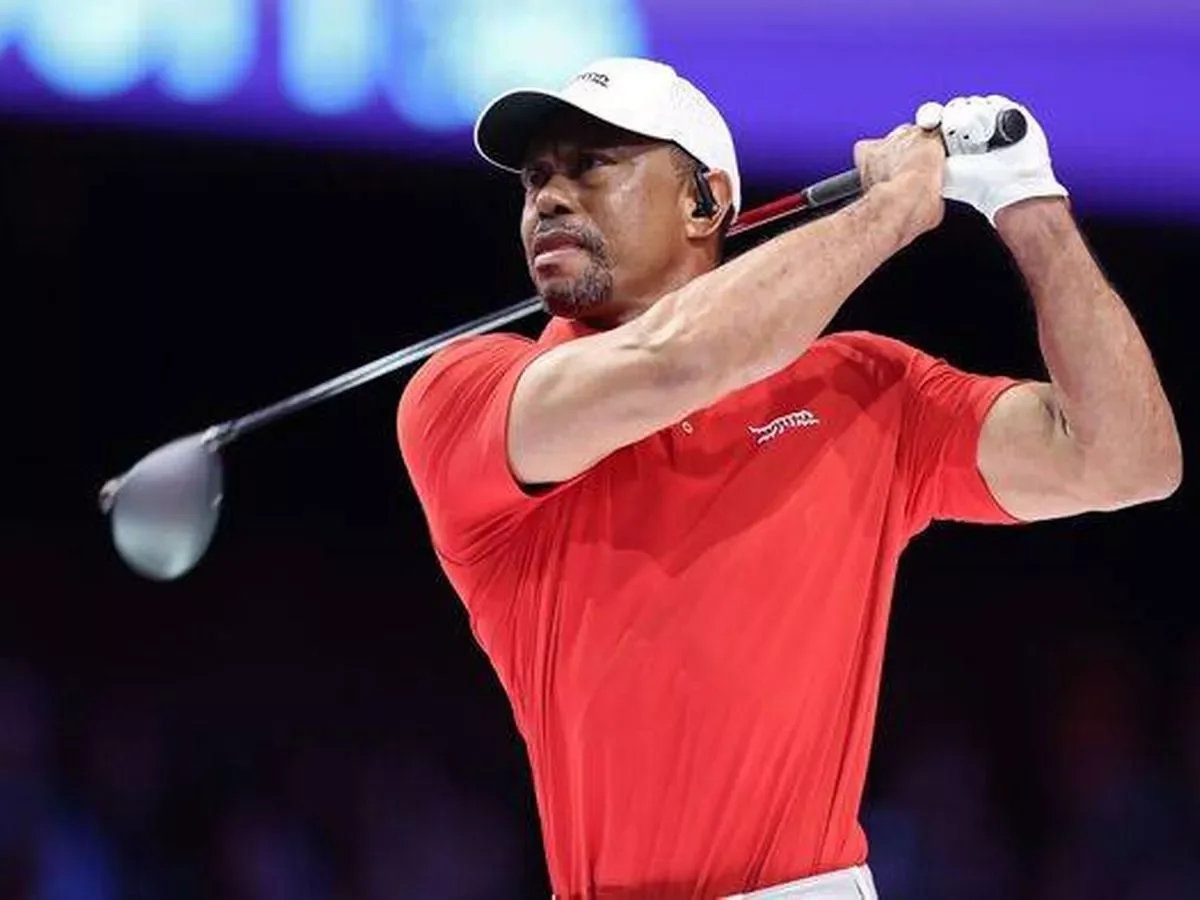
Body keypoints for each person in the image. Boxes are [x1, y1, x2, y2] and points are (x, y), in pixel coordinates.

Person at [395, 57, 1182, 900]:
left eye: (591, 165)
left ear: (706, 203)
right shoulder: (463, 396)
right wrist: (892, 210)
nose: (549, 198)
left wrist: (1029, 205)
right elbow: (677, 360)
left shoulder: (863, 388)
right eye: (536, 178)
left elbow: (1127, 461)